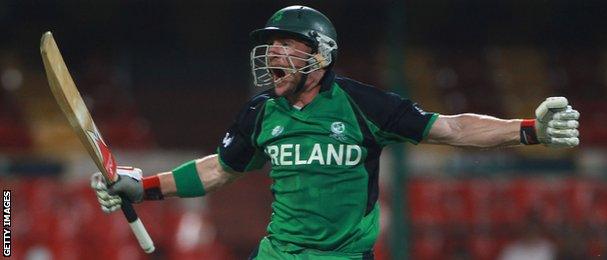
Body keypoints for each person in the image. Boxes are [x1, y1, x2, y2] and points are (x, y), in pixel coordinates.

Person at [90, 5, 580, 260]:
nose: (273, 54)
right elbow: (219, 169)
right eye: (270, 45)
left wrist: (530, 130)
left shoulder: (366, 105)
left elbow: (451, 128)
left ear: (319, 54)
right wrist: (144, 186)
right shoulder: (260, 113)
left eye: (286, 44)